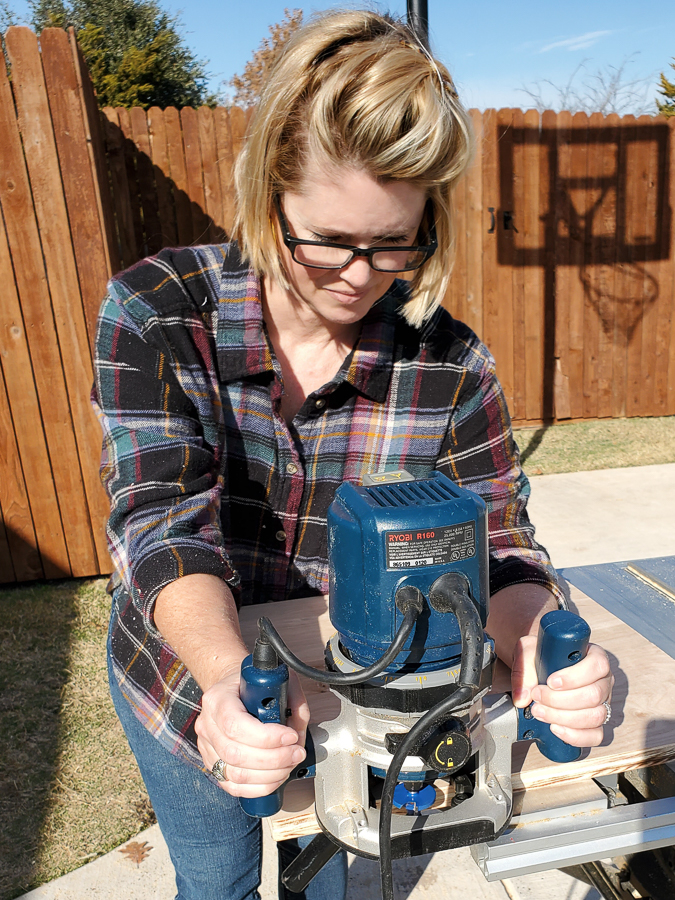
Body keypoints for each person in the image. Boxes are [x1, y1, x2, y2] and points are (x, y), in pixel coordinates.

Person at [93, 9, 613, 900]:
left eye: (392, 243)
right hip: (196, 675)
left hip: (387, 708)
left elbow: (503, 547)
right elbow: (161, 525)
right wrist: (226, 681)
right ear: (267, 196)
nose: (359, 274)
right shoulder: (156, 311)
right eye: (327, 238)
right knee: (215, 884)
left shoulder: (449, 363)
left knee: (352, 891)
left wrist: (531, 637)